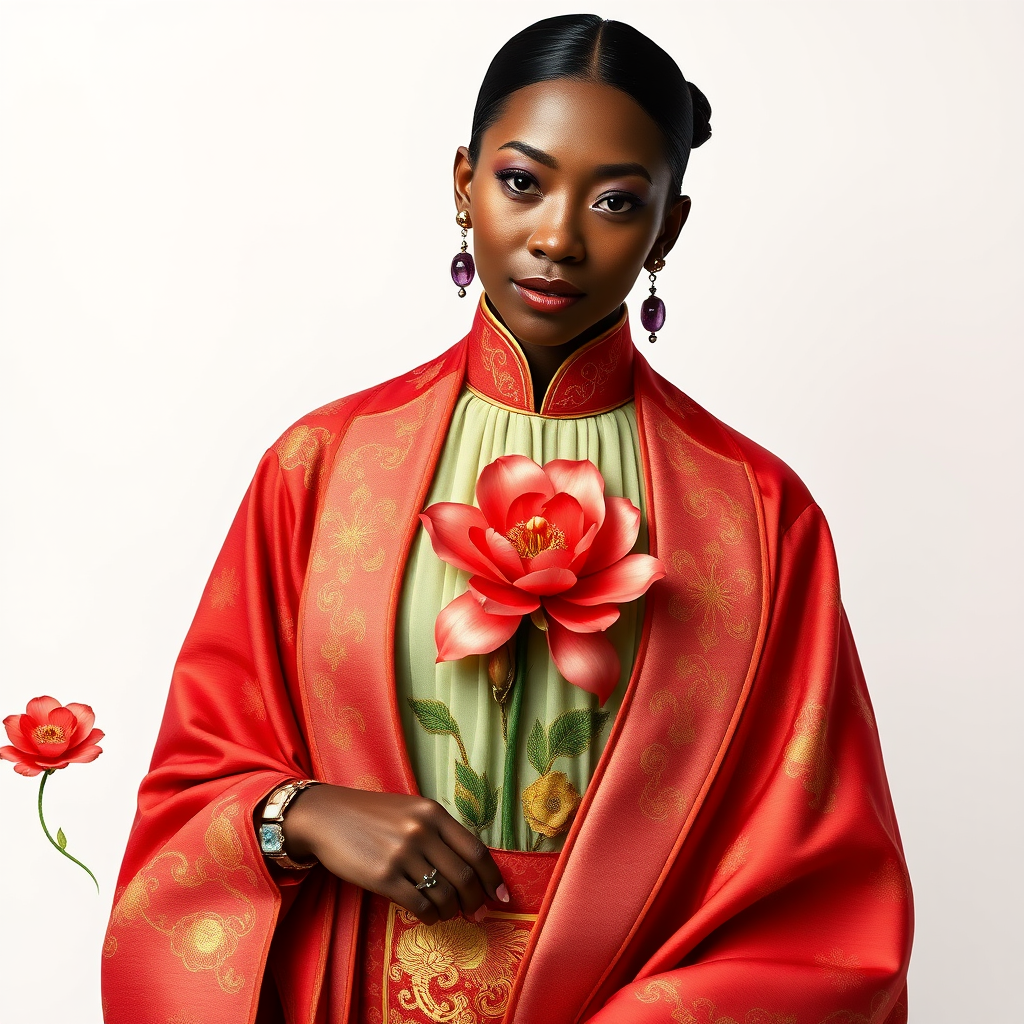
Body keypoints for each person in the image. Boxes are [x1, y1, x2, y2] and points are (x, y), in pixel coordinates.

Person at [101, 14, 913, 1024]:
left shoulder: (757, 514)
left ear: (669, 226)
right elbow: (194, 782)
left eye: (617, 201)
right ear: (461, 183)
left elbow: (821, 894)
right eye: (521, 182)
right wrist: (297, 813)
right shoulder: (320, 468)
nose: (558, 236)